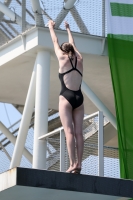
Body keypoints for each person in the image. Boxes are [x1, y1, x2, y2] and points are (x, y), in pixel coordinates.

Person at [49, 20, 84, 174]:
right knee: (78, 133)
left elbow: (55, 41)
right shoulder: (80, 59)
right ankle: (79, 164)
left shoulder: (62, 58)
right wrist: (68, 29)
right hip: (79, 98)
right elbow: (73, 43)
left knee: (68, 132)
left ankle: (72, 163)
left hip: (66, 98)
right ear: (73, 51)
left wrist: (51, 27)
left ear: (63, 51)